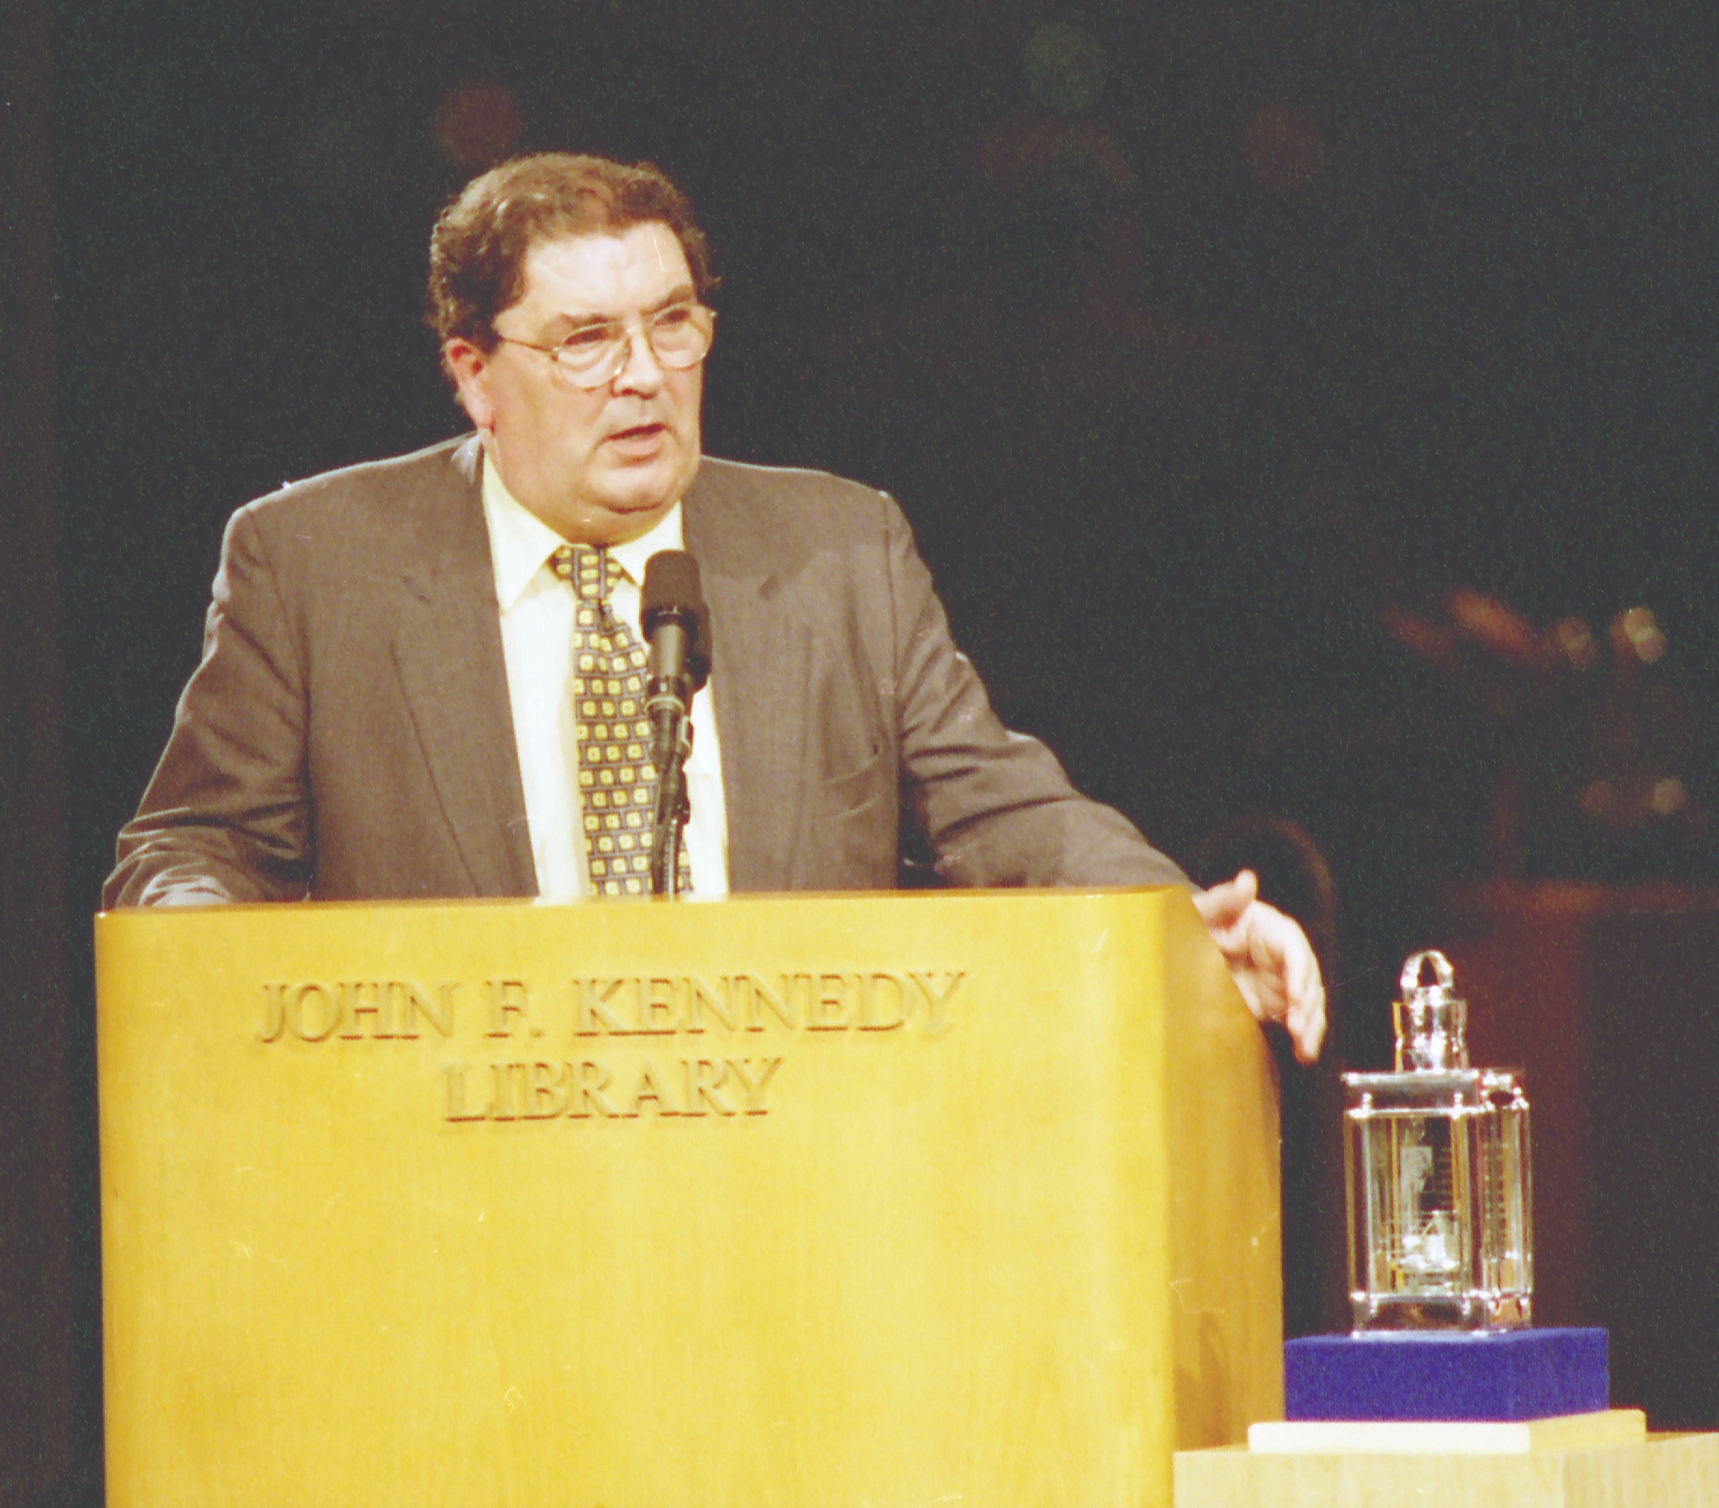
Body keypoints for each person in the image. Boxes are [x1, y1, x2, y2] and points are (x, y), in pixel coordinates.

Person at [104, 153, 1325, 1064]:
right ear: (475, 374)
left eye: (672, 323)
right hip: (449, 1163)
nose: (643, 375)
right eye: (585, 339)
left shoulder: (838, 546)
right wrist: (227, 962)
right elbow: (190, 848)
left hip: (787, 1160)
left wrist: (1184, 926)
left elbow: (1003, 806)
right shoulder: (315, 563)